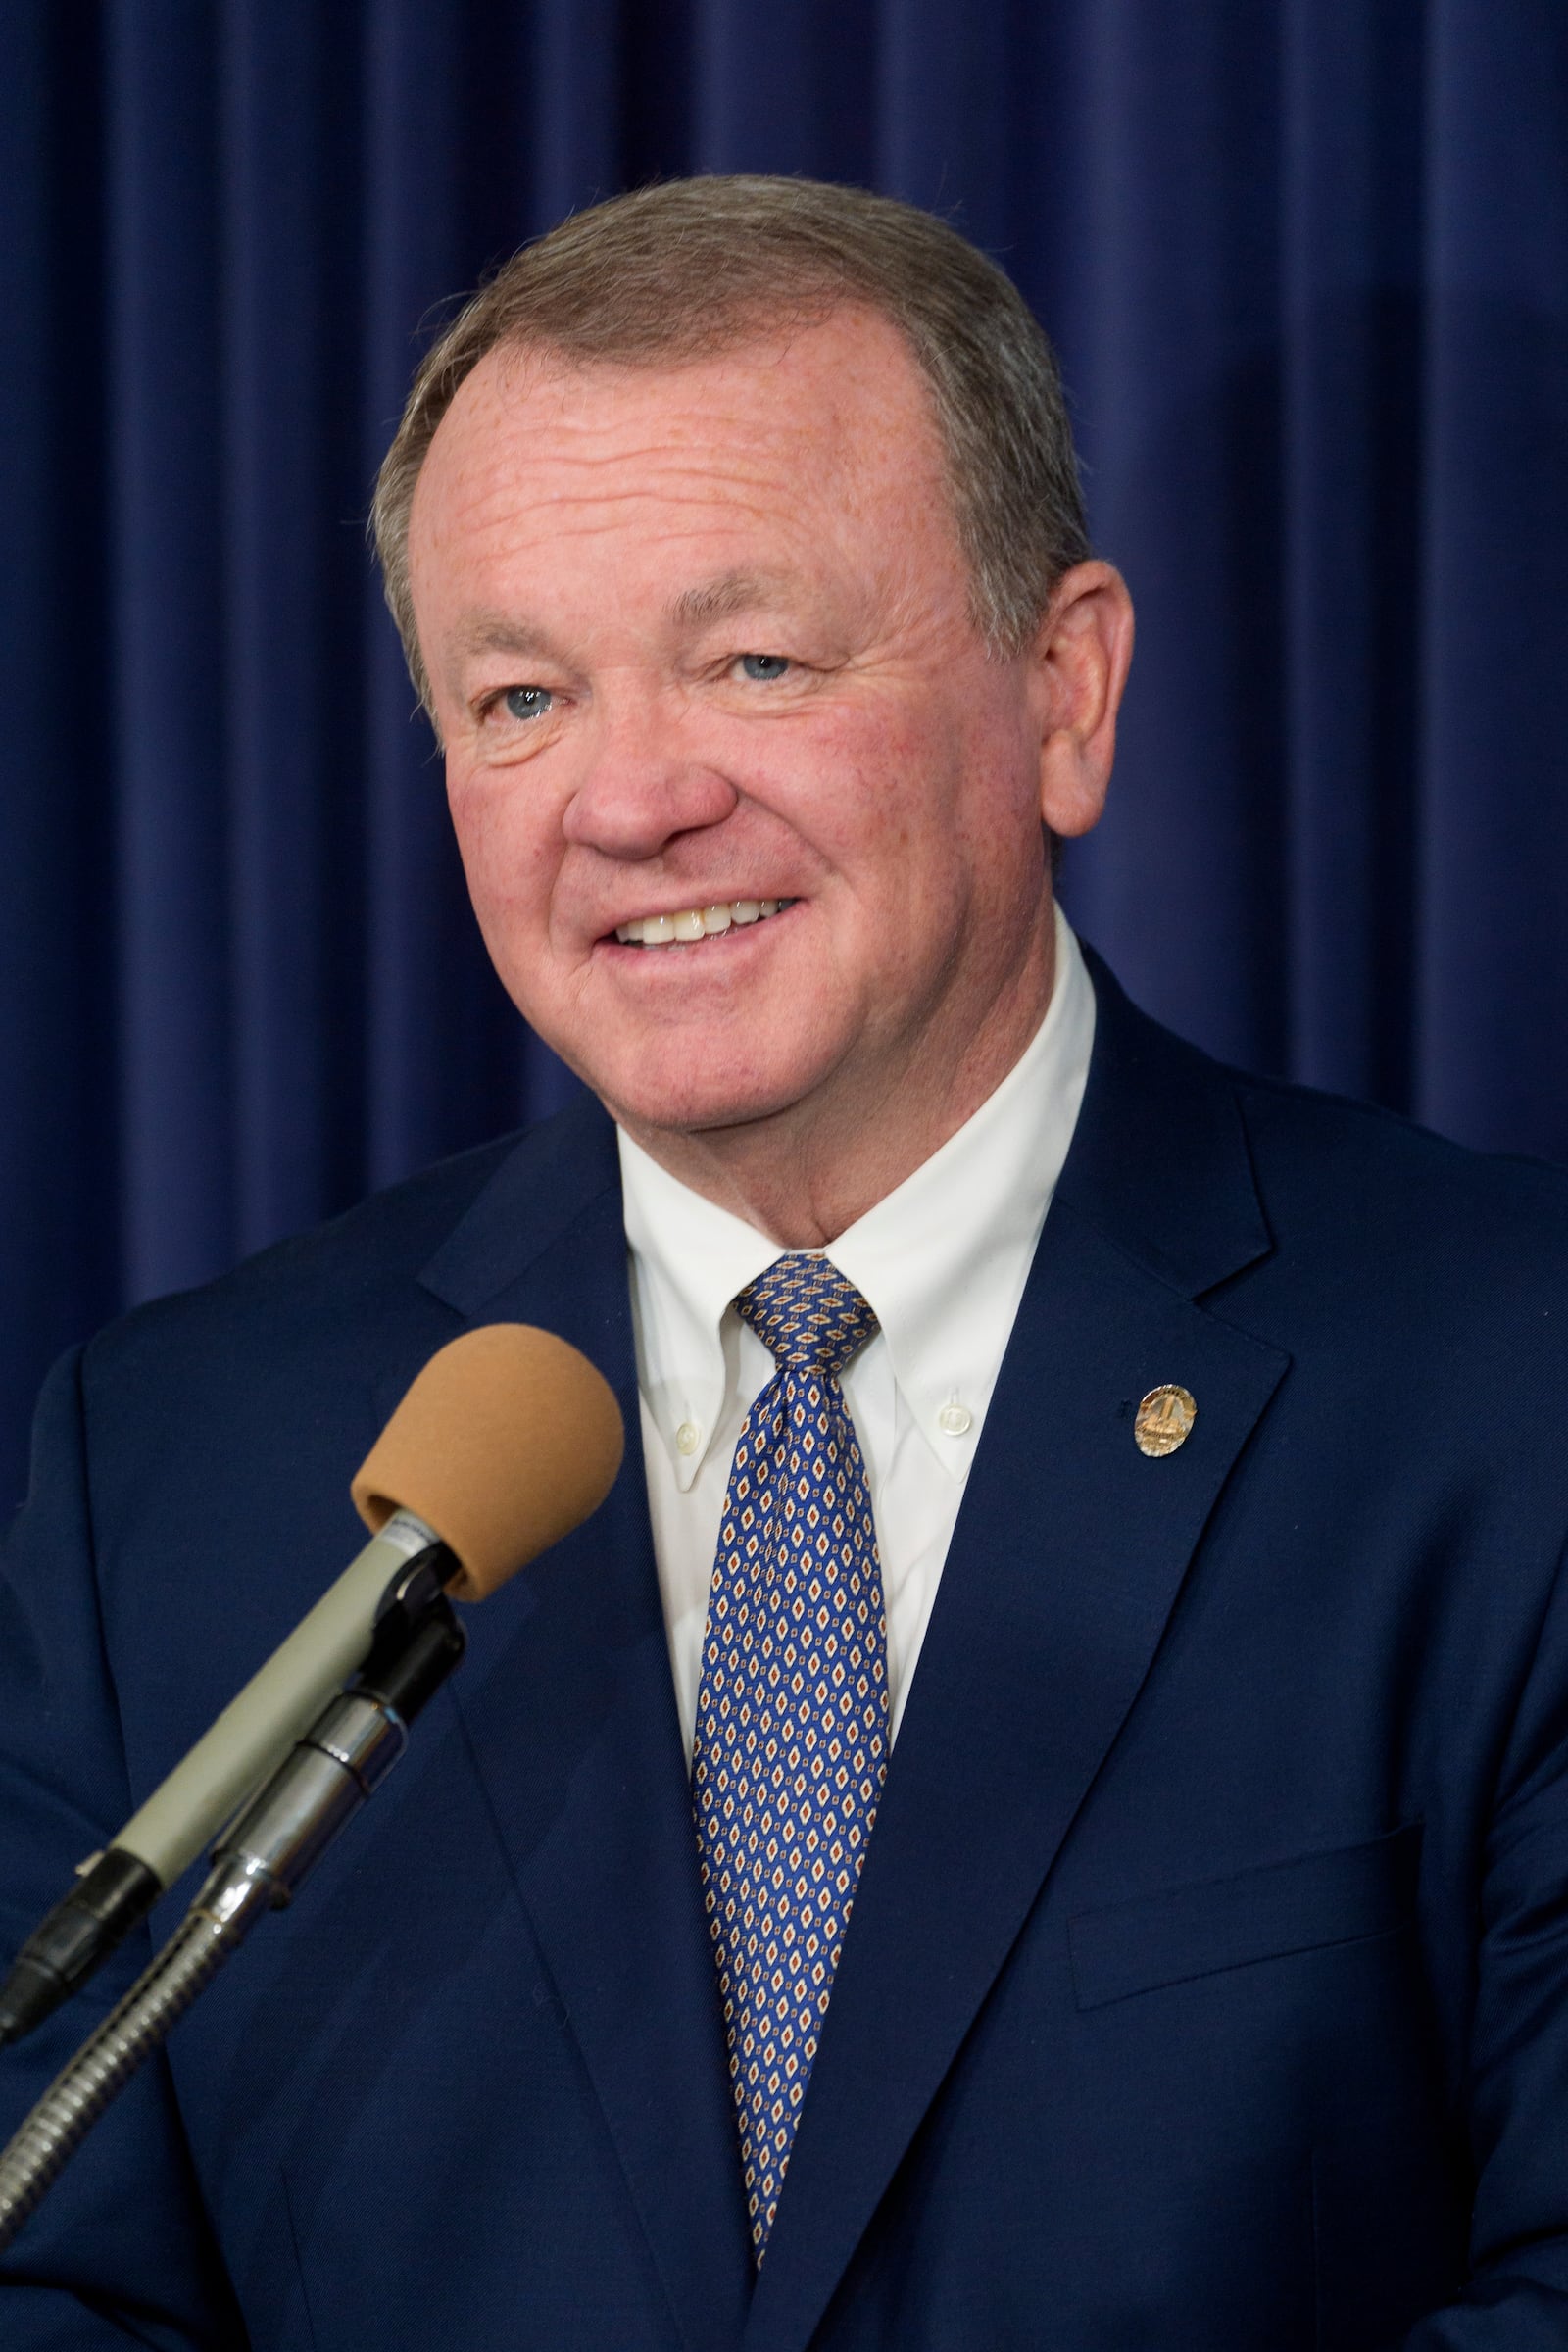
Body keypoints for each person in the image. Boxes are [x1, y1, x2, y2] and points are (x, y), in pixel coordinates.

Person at [2, 174, 1566, 2350]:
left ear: (1063, 693)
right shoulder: (160, 1474)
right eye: (522, 696)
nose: (629, 799)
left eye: (751, 661)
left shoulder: (1507, 1387)